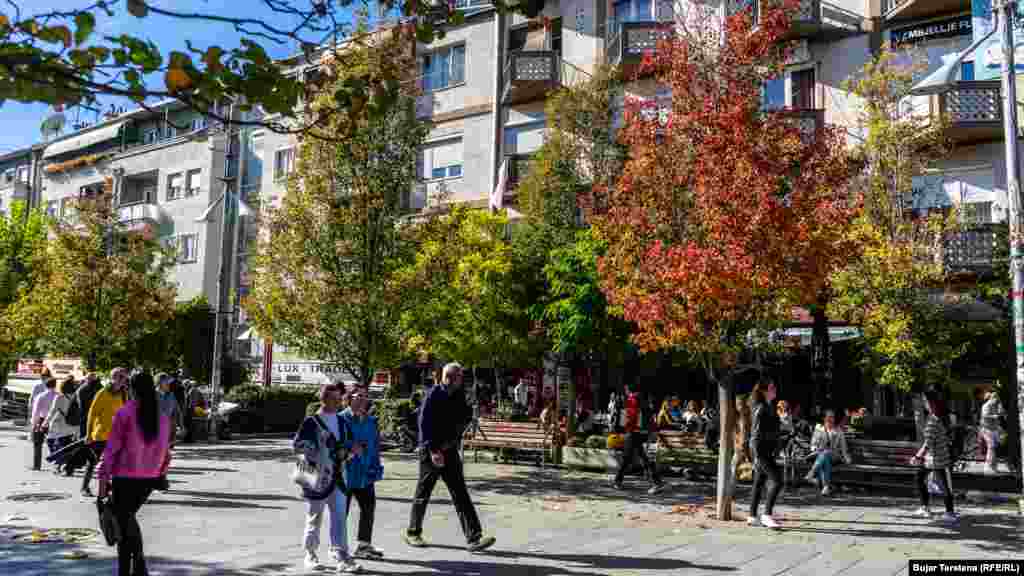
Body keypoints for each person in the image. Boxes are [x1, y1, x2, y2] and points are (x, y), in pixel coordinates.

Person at [405, 362, 496, 552]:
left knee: (460, 493)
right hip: (432, 451)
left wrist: (468, 417)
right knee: (424, 492)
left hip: (449, 449)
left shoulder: (458, 395)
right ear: (449, 378)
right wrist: (433, 451)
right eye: (459, 377)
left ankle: (474, 538)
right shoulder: (433, 395)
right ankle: (413, 532)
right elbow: (424, 424)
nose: (462, 380)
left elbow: (463, 416)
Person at [97, 371, 173, 576]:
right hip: (149, 479)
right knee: (125, 521)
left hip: (125, 477)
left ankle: (138, 565)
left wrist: (102, 481)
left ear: (131, 389)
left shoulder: (125, 413)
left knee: (124, 521)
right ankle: (133, 568)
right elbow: (167, 453)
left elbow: (111, 450)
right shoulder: (163, 418)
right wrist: (161, 474)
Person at [294, 383, 363, 573]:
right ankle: (310, 554)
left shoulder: (342, 422)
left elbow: (348, 449)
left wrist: (352, 452)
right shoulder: (311, 422)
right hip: (317, 479)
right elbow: (298, 447)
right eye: (334, 398)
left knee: (340, 517)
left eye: (339, 398)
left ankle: (341, 554)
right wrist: (316, 452)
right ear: (323, 399)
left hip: (339, 478)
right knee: (315, 517)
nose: (338, 402)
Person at [342, 385, 385, 560]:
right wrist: (350, 449)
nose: (362, 399)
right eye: (358, 396)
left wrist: (376, 467)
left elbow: (374, 447)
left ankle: (363, 546)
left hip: (365, 473)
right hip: (345, 474)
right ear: (349, 398)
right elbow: (333, 443)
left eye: (365, 396)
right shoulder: (341, 419)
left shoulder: (370, 421)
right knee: (341, 513)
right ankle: (338, 547)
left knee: (368, 508)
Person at [911, 390, 957, 523]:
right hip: (933, 458)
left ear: (931, 403)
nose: (924, 403)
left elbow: (927, 443)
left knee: (943, 485)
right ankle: (925, 507)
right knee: (920, 478)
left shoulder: (932, 420)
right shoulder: (938, 417)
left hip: (937, 459)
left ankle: (949, 512)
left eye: (925, 401)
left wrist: (917, 457)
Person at [81, 368, 129, 498]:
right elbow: (92, 414)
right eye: (120, 377)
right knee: (93, 462)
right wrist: (88, 434)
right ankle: (85, 487)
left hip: (116, 435)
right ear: (113, 378)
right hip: (100, 434)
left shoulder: (124, 394)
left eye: (124, 378)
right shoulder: (102, 393)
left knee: (114, 463)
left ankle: (107, 487)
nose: (123, 380)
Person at [612, 383, 664, 494]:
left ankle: (618, 481)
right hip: (642, 433)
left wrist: (623, 427)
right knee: (642, 458)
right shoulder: (642, 399)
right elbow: (649, 416)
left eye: (626, 389)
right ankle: (656, 482)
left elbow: (628, 417)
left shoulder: (631, 400)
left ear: (628, 390)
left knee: (629, 458)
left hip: (634, 432)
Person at [749, 378, 783, 529]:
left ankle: (752, 516)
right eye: (771, 388)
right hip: (761, 451)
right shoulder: (761, 408)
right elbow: (756, 433)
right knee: (777, 481)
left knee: (759, 482)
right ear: (763, 391)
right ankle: (767, 515)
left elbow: (771, 430)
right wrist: (756, 455)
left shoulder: (769, 406)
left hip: (767, 450)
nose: (774, 389)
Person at [804, 410, 851, 495]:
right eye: (828, 417)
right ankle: (826, 487)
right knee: (825, 460)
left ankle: (811, 473)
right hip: (820, 455)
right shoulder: (819, 429)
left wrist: (846, 457)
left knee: (826, 453)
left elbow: (844, 447)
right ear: (824, 418)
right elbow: (813, 444)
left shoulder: (838, 431)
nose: (830, 419)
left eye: (832, 417)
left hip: (835, 456)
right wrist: (815, 449)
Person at [43, 376, 78, 474]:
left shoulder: (59, 397)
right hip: (73, 426)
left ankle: (58, 465)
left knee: (56, 444)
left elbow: (52, 411)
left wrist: (45, 423)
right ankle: (66, 467)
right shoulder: (76, 396)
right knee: (68, 447)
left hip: (61, 425)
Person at [30, 377, 58, 471]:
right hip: (55, 421)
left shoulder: (41, 396)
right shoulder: (58, 396)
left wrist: (34, 424)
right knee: (56, 443)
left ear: (45, 385)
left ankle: (37, 465)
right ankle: (57, 465)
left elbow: (36, 412)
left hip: (41, 420)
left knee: (37, 444)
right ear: (55, 385)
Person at [978, 389, 1004, 475]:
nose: (997, 400)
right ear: (991, 398)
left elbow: (1001, 413)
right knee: (991, 447)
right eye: (995, 398)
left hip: (993, 429)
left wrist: (999, 409)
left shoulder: (995, 405)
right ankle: (988, 467)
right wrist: (994, 416)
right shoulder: (986, 406)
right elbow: (984, 416)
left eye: (997, 399)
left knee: (993, 448)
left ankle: (993, 466)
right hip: (986, 429)